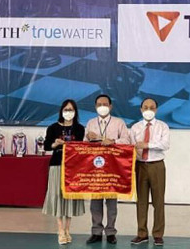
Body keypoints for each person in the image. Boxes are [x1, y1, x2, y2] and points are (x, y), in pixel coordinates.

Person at [84, 94, 130, 245]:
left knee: (111, 202)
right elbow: (83, 145)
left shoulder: (118, 122)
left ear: (110, 106)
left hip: (113, 168)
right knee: (95, 202)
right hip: (96, 167)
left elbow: (127, 141)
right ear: (95, 107)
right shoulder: (91, 123)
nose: (102, 107)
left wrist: (113, 141)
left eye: (105, 104)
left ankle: (111, 232)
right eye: (99, 104)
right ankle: (96, 231)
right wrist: (88, 137)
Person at [42, 99, 86, 245]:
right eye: (66, 109)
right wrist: (55, 143)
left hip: (72, 167)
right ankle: (60, 230)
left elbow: (80, 147)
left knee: (69, 197)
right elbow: (47, 146)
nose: (68, 112)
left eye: (71, 110)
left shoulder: (79, 128)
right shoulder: (53, 127)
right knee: (57, 196)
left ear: (75, 112)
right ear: (61, 111)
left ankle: (67, 229)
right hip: (56, 165)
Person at [129, 98, 170, 246]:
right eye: (145, 107)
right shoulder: (135, 128)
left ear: (156, 110)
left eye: (152, 107)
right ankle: (142, 234)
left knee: (158, 201)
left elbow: (165, 145)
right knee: (141, 201)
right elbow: (130, 146)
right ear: (141, 110)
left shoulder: (162, 126)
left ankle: (158, 234)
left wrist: (147, 145)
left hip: (157, 165)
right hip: (140, 166)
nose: (148, 110)